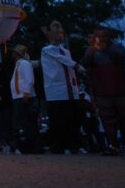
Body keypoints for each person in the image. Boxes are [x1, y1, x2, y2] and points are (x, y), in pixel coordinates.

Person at [81, 27, 125, 157]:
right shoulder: (91, 51)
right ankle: (113, 146)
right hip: (102, 92)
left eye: (104, 36)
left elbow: (121, 58)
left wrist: (105, 49)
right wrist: (91, 51)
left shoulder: (117, 48)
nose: (101, 39)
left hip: (120, 91)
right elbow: (85, 64)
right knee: (107, 121)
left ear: (109, 37)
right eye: (98, 36)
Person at [40, 20, 85, 154]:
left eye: (61, 29)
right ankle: (60, 146)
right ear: (49, 33)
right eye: (56, 29)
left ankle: (74, 145)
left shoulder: (65, 51)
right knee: (59, 121)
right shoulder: (47, 50)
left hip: (71, 91)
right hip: (56, 92)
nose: (60, 32)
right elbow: (62, 60)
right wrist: (77, 66)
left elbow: (66, 63)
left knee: (73, 120)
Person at [9, 44, 35, 154]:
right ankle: (24, 145)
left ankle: (28, 146)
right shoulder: (18, 65)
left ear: (17, 53)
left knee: (23, 122)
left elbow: (29, 79)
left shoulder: (24, 64)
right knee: (22, 121)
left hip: (23, 96)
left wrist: (26, 93)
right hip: (18, 96)